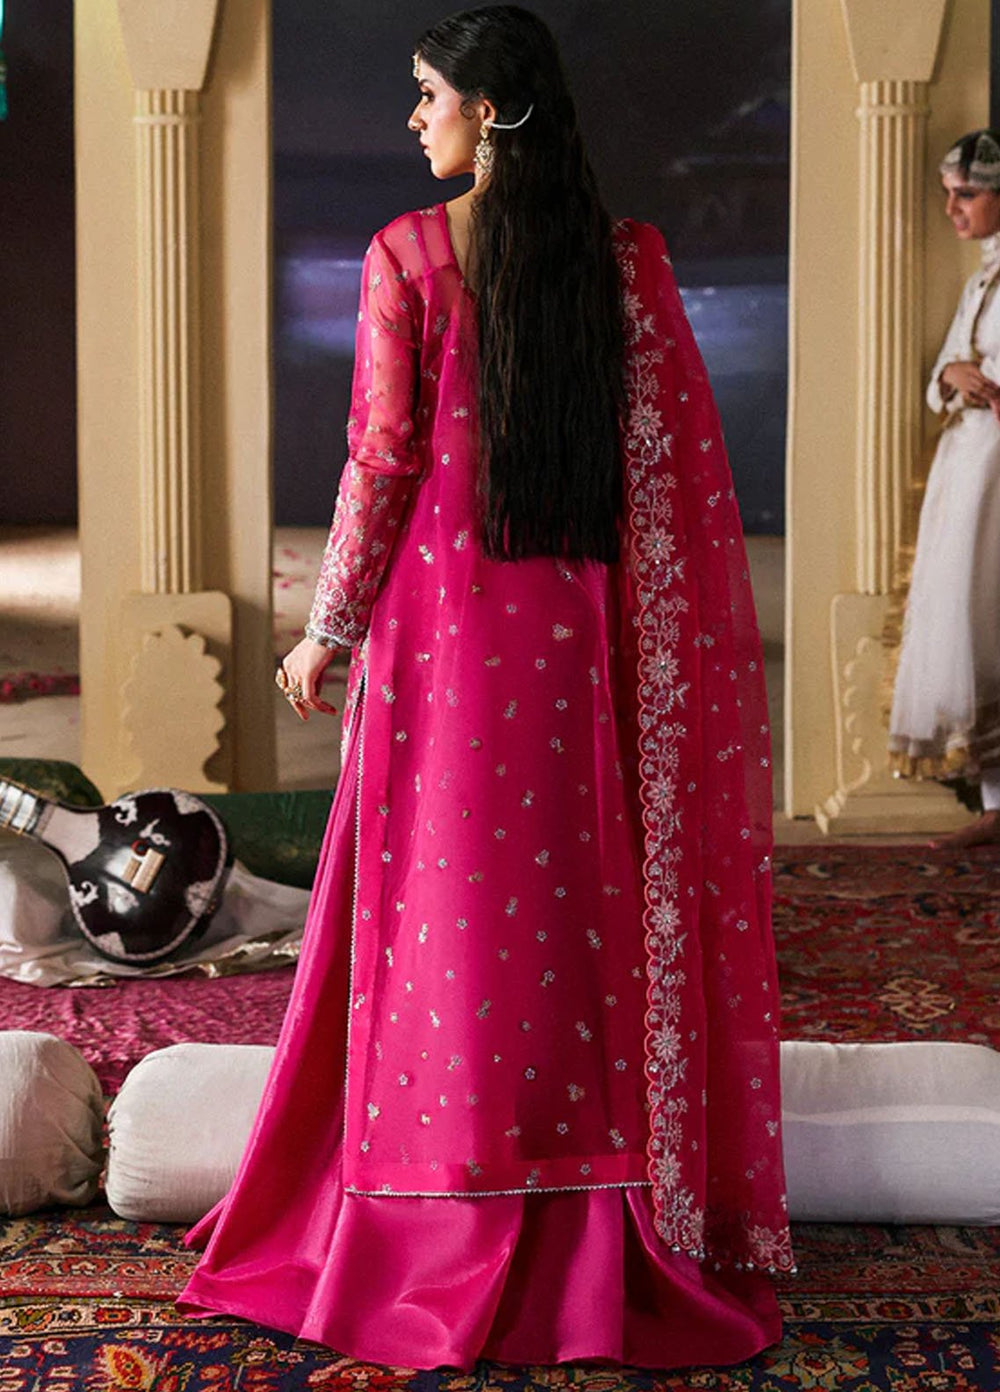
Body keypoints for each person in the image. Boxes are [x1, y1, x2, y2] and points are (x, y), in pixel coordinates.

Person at [178, 5, 792, 1369]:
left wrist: (324, 631)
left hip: (446, 643)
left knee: (442, 907)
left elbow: (383, 461)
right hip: (582, 640)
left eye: (428, 94)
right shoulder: (628, 261)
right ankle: (601, 1208)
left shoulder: (410, 253)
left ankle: (427, 1204)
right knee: (573, 908)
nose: (414, 119)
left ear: (492, 107)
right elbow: (664, 476)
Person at [889, 130, 1000, 845]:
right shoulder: (981, 280)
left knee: (990, 614)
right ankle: (994, 803)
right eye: (948, 196)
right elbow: (944, 373)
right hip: (969, 467)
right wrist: (953, 378)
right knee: (967, 616)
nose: (953, 209)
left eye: (968, 195)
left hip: (994, 467)